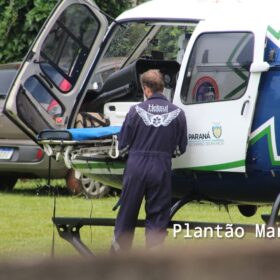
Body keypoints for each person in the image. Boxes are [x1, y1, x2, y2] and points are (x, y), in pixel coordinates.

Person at [111, 69, 187, 252]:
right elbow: (180, 148)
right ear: (162, 87)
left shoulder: (135, 111)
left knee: (127, 215)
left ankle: (118, 259)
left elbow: (123, 146)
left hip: (136, 166)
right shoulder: (178, 113)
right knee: (157, 216)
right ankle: (153, 263)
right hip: (161, 167)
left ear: (146, 88)